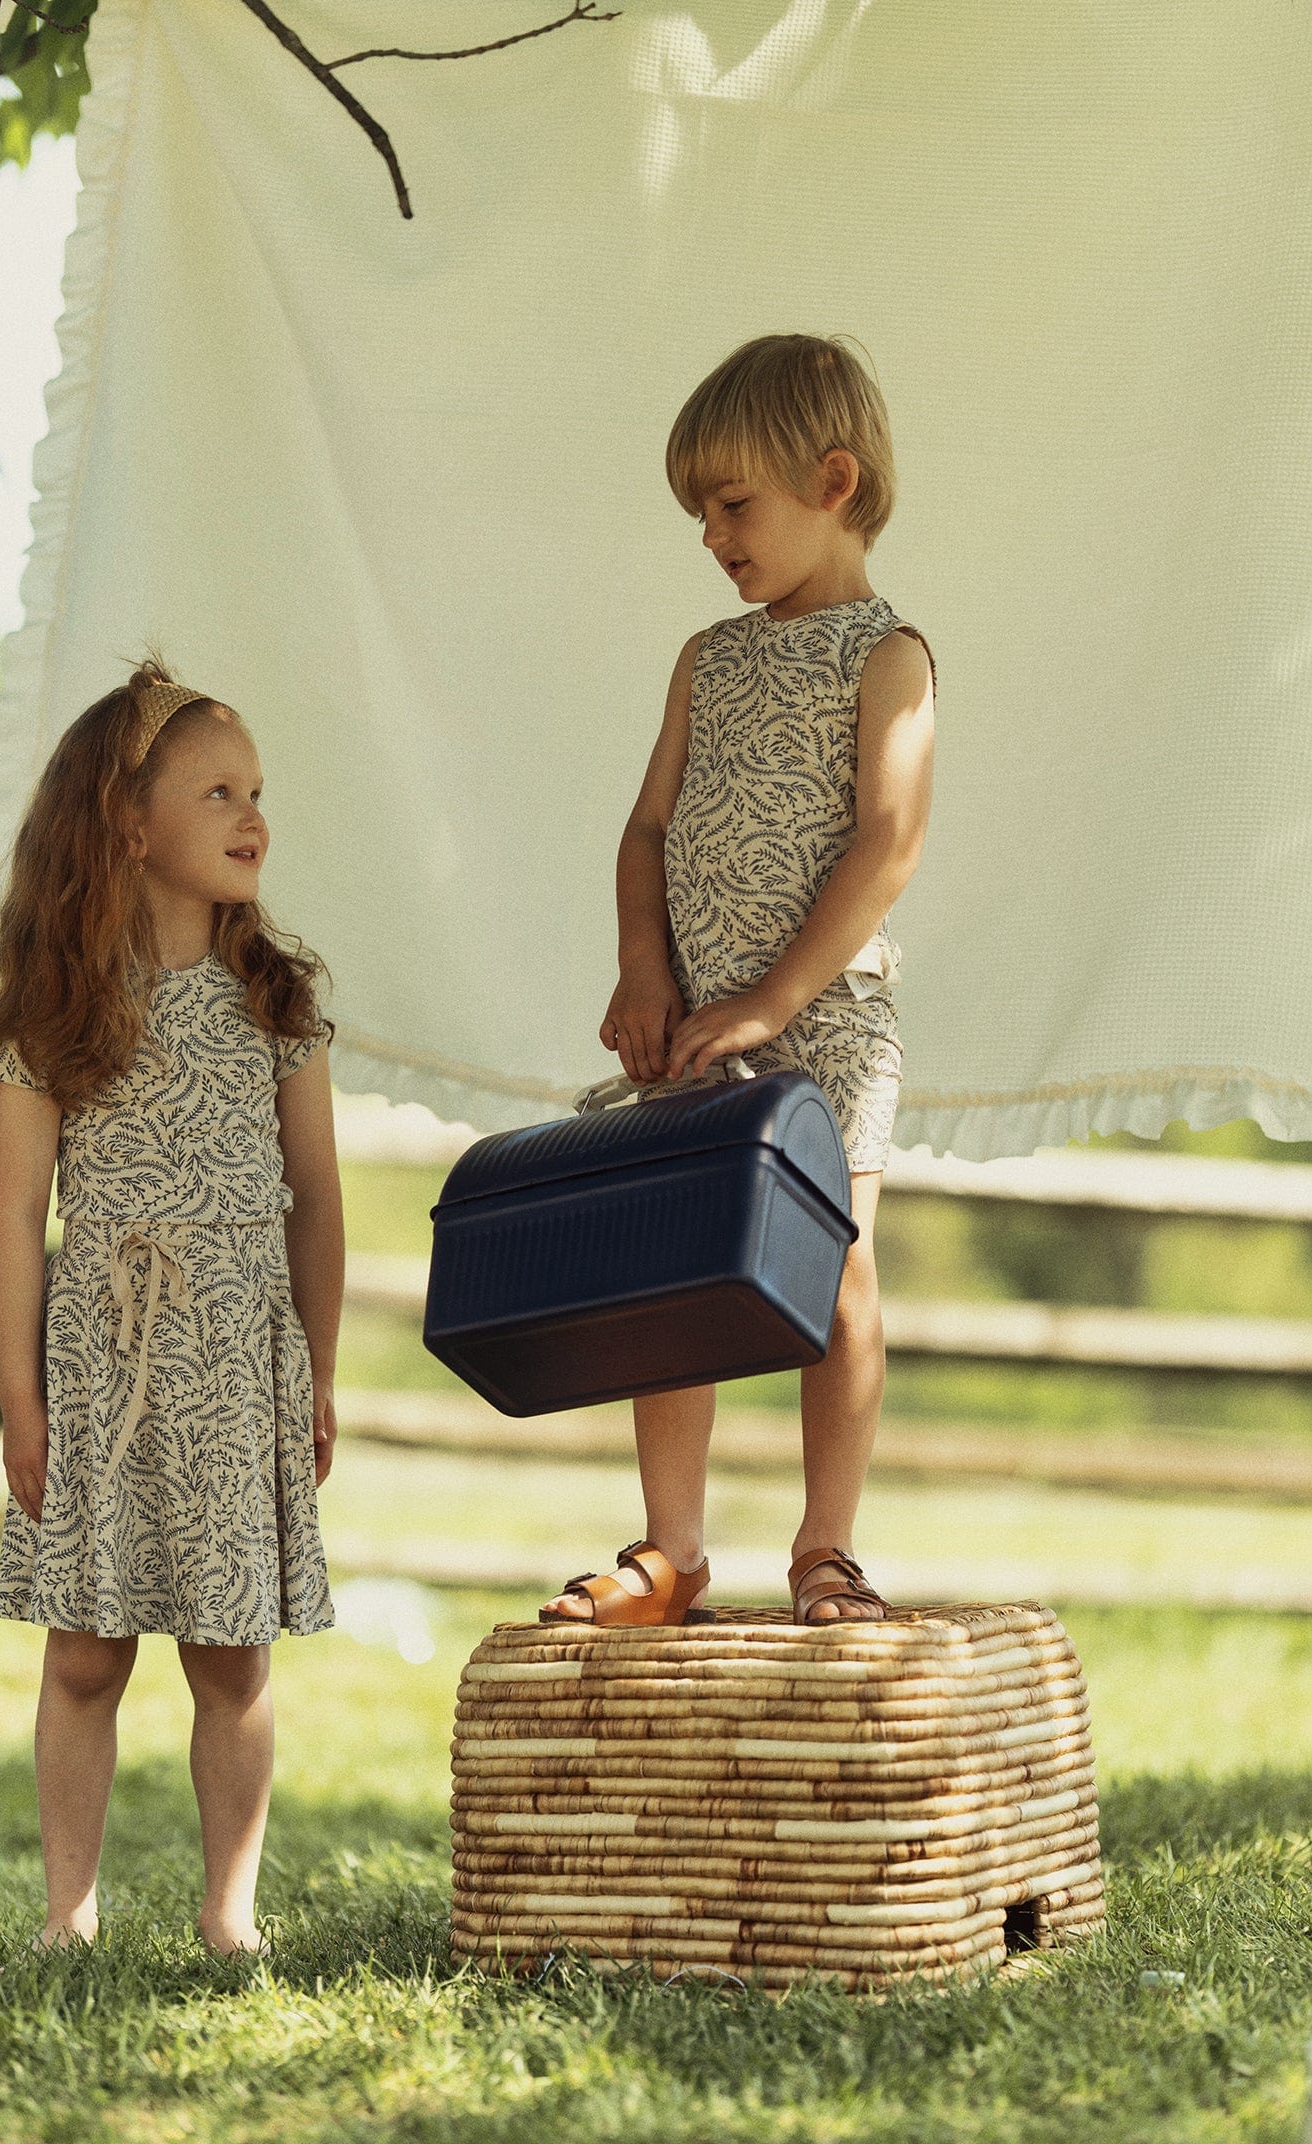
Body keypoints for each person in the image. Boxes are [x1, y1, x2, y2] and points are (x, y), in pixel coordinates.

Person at [541, 333, 936, 1631]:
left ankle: (824, 1547)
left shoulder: (888, 660)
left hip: (822, 1024)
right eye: (698, 513)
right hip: (698, 1029)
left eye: (730, 505)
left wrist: (771, 1002)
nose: (710, 536)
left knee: (838, 1271)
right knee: (673, 1270)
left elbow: (886, 841)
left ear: (831, 479)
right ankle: (672, 1551)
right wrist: (645, 968)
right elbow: (647, 828)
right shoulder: (708, 659)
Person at [0, 657, 344, 1954]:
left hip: (241, 1357)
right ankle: (66, 1913)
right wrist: (22, 1396)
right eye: (217, 791)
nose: (252, 815)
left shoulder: (276, 1000)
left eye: (257, 791)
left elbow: (319, 1203)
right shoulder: (53, 1013)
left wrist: (322, 1373)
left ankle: (228, 1912)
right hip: (104, 1359)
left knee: (231, 1655)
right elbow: (18, 1215)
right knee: (84, 1654)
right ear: (130, 828)